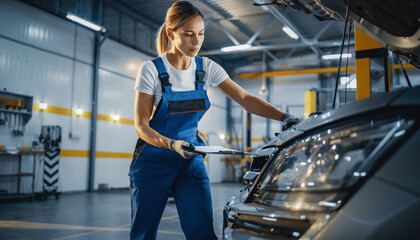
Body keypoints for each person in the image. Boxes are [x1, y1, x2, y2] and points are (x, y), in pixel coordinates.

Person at [129, 1, 300, 239]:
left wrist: (284, 116)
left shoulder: (207, 68)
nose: (196, 41)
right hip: (153, 162)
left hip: (190, 158)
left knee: (202, 233)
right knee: (143, 234)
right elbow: (141, 126)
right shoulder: (151, 70)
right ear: (171, 33)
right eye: (188, 35)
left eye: (200, 34)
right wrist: (172, 144)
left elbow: (245, 98)